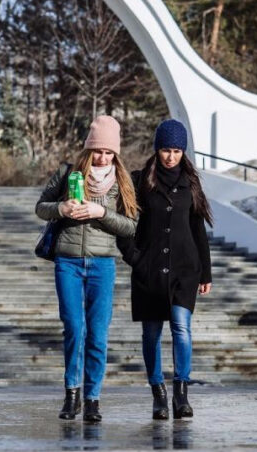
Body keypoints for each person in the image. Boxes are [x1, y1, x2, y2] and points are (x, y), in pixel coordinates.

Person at [35, 115, 138, 423]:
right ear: (88, 149)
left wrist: (101, 212)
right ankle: (72, 395)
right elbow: (40, 206)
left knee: (97, 335)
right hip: (67, 261)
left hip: (103, 264)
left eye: (109, 152)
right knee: (73, 328)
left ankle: (93, 399)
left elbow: (131, 226)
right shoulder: (68, 174)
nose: (103, 157)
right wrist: (62, 208)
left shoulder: (121, 181)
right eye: (98, 151)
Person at [117, 119, 213, 420]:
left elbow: (198, 229)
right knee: (152, 333)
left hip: (185, 269)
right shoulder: (140, 181)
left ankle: (181, 394)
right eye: (165, 150)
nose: (170, 156)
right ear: (157, 149)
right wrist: (134, 257)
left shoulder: (191, 184)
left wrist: (206, 272)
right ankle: (158, 394)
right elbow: (124, 224)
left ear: (182, 152)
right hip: (150, 270)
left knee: (182, 329)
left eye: (176, 150)